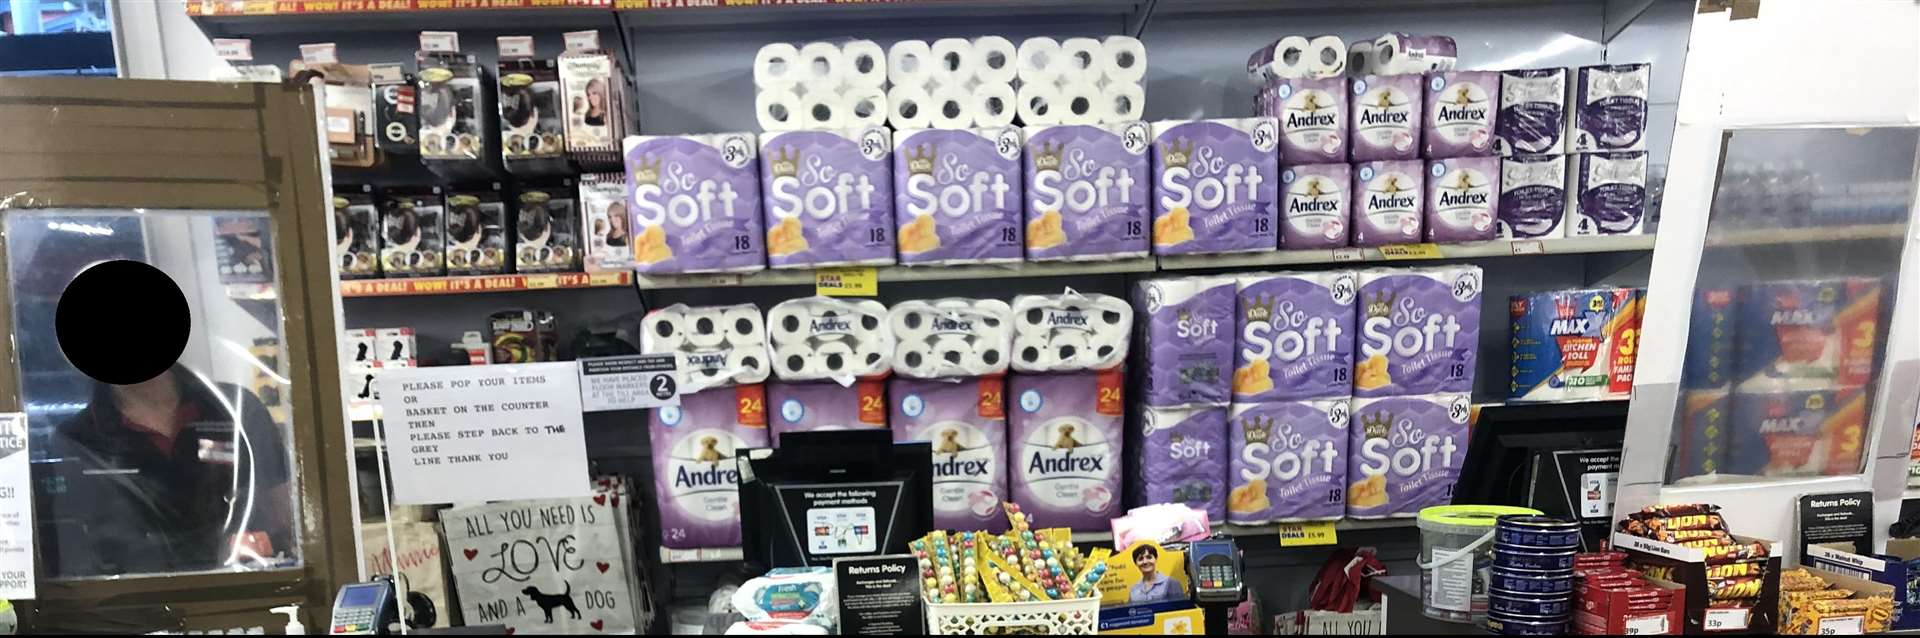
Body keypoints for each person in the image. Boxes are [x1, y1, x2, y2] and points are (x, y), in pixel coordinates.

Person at [39, 364, 295, 577]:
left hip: (251, 604)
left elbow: (286, 518)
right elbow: (75, 564)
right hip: (137, 615)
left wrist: (265, 543)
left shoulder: (238, 409)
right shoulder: (75, 442)